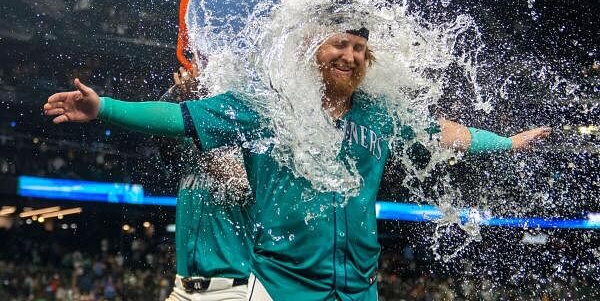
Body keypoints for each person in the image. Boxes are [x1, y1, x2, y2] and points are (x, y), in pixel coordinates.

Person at [44, 22, 550, 301]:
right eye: (339, 43)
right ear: (313, 48)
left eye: (359, 47)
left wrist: (507, 144)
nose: (350, 55)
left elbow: (446, 134)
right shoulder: (271, 103)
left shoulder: (383, 115)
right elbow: (183, 117)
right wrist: (103, 107)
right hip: (279, 289)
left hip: (358, 291)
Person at [155, 62, 253, 301]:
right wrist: (178, 94)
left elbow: (239, 184)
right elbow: (156, 123)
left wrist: (198, 113)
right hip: (182, 287)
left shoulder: (247, 136)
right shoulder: (187, 141)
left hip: (232, 291)